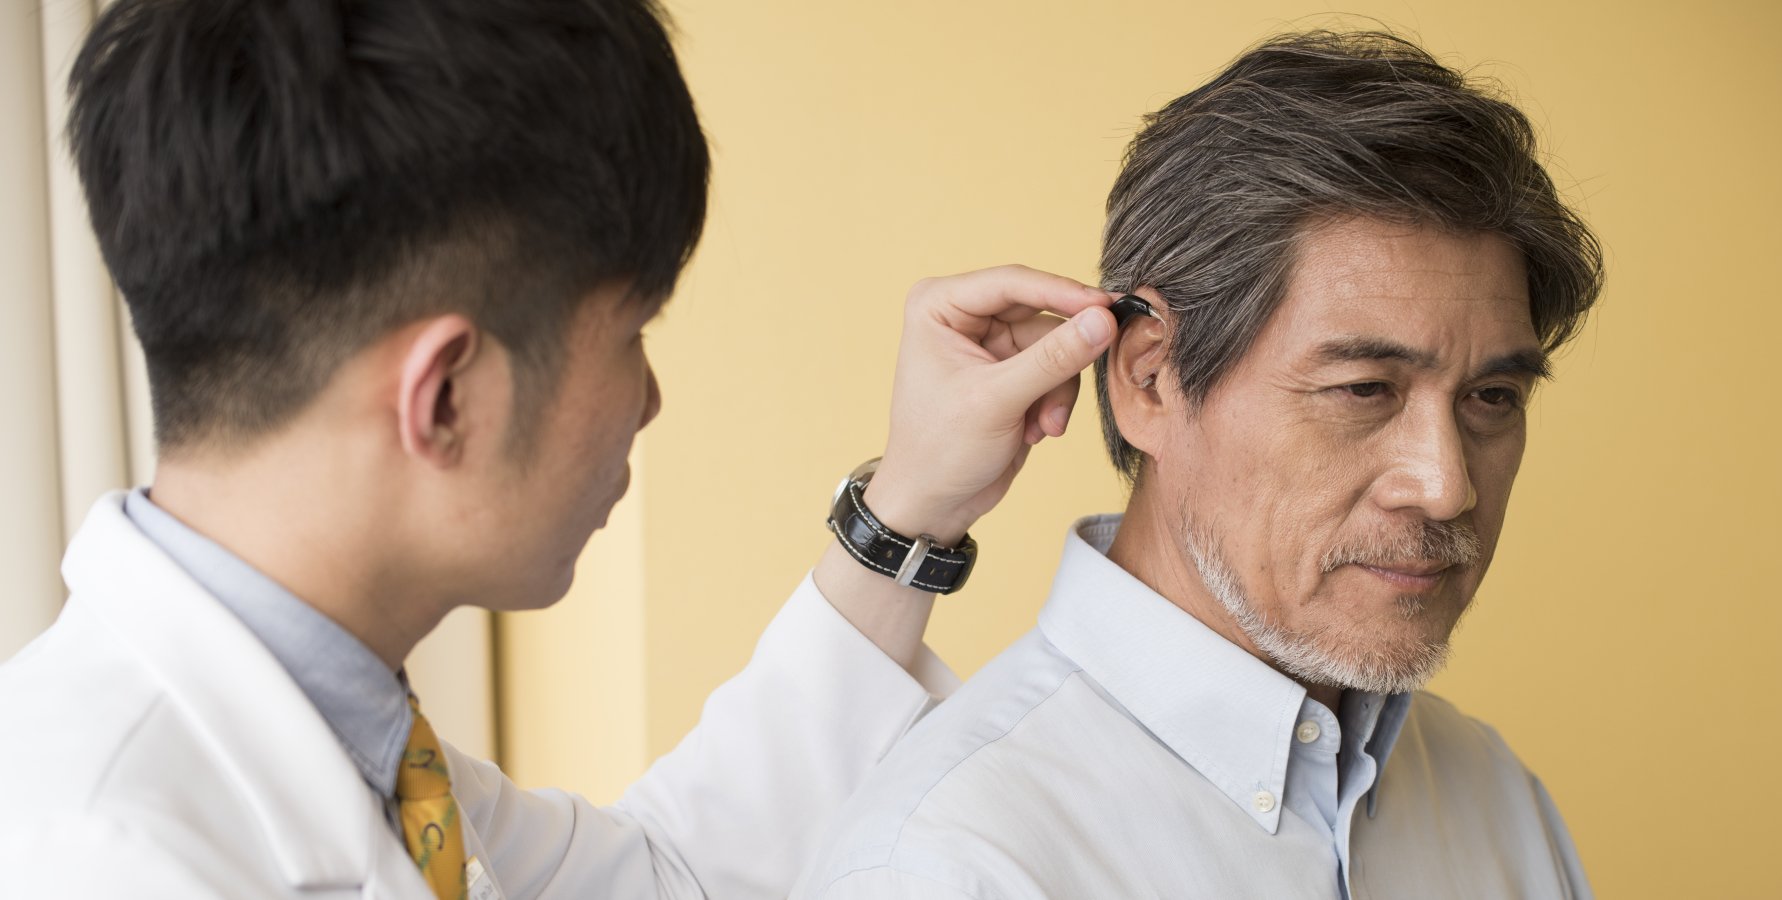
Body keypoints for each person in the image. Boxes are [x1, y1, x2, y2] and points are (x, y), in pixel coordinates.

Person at [0, 1, 1123, 897]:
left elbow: (675, 873)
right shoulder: (100, 856)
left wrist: (911, 507)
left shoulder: (359, 743)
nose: (650, 401)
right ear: (444, 397)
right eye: (632, 334)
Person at [792, 30, 1604, 900]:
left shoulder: (1497, 801)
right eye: (1364, 389)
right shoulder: (945, 866)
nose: (1446, 486)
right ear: (1149, 380)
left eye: (1493, 398)